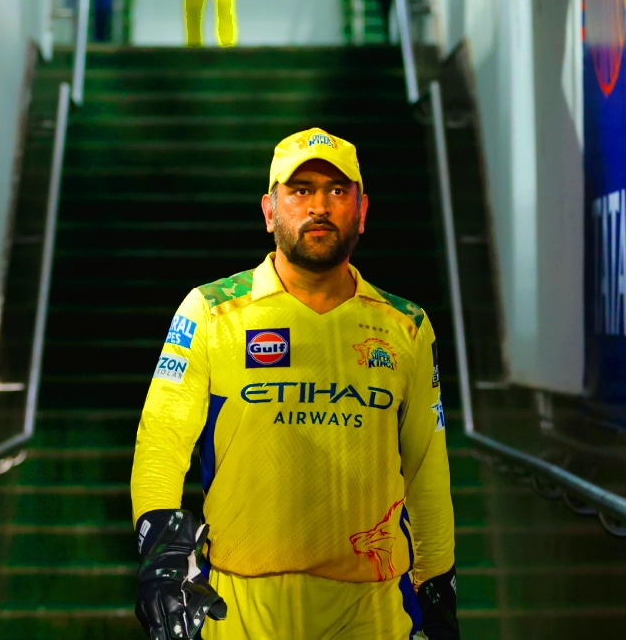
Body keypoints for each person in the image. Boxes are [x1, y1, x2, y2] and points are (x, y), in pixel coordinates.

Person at [130, 128, 459, 640]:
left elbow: (426, 468)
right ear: (269, 210)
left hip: (373, 611)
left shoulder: (407, 325)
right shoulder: (212, 310)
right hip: (237, 608)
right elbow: (162, 439)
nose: (319, 206)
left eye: (337, 191)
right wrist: (160, 557)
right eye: (300, 190)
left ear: (362, 210)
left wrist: (437, 588)